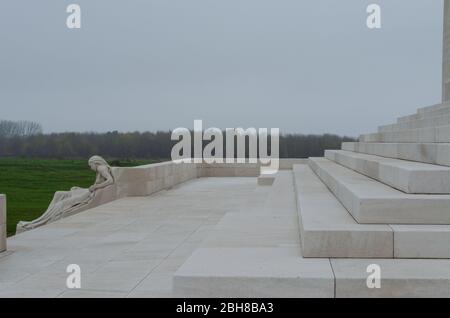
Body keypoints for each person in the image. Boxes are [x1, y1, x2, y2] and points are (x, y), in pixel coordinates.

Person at [16, 155, 114, 233]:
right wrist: (82, 188)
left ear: (95, 163)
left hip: (89, 195)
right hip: (88, 191)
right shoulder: (100, 169)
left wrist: (96, 187)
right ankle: (46, 215)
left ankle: (41, 221)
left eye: (90, 165)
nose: (90, 167)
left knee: (60, 204)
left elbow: (110, 180)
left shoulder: (101, 168)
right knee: (59, 193)